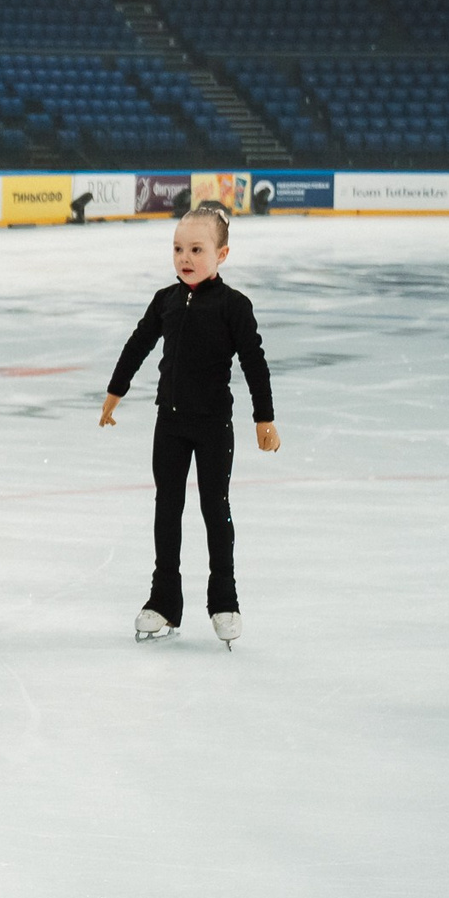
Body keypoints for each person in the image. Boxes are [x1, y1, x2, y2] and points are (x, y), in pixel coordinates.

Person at [101, 202, 279, 649]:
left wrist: (264, 418)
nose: (185, 257)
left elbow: (255, 364)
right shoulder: (165, 300)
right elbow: (138, 343)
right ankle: (164, 600)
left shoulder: (234, 307)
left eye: (196, 249)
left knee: (215, 511)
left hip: (213, 425)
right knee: (167, 510)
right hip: (171, 425)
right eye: (178, 248)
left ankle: (224, 600)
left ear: (222, 255)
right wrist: (115, 390)